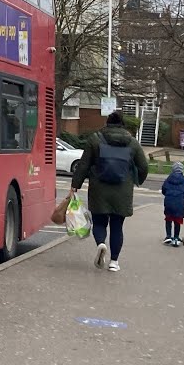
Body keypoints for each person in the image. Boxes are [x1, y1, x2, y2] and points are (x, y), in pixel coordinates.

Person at [70, 112, 149, 272]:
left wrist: (75, 185)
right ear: (122, 125)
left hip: (99, 189)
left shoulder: (95, 139)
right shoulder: (132, 143)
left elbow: (83, 165)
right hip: (122, 190)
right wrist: (136, 179)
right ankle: (114, 262)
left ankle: (100, 243)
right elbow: (144, 167)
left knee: (99, 223)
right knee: (117, 226)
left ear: (107, 123)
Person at [161, 162, 184, 247]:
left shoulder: (168, 179)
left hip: (168, 202)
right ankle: (176, 237)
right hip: (179, 203)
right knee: (177, 220)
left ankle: (168, 236)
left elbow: (163, 189)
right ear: (182, 170)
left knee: (168, 219)